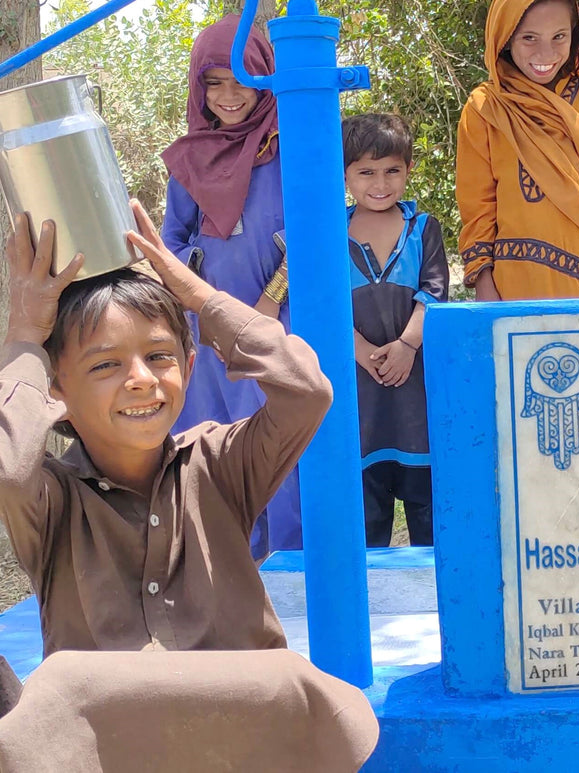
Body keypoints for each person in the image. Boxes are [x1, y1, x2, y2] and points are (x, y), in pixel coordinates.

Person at [0, 203, 377, 771]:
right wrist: (25, 334)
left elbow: (307, 392)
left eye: (159, 357)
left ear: (190, 363)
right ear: (56, 392)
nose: (141, 379)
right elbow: (9, 467)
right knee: (52, 693)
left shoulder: (220, 462)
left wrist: (200, 296)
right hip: (118, 753)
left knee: (292, 682)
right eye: (104, 366)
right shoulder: (51, 502)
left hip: (248, 746)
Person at [161, 13, 299, 559]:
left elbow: (312, 235)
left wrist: (265, 306)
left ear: (265, 79)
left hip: (274, 324)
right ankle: (219, 575)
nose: (229, 95)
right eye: (213, 82)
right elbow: (172, 239)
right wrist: (200, 300)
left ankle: (288, 578)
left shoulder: (290, 150)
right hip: (207, 331)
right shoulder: (190, 159)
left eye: (243, 78)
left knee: (277, 448)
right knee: (210, 445)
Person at [456, 0, 579, 301]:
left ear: (575, 35)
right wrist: (484, 282)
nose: (546, 54)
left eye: (559, 37)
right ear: (505, 38)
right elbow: (477, 205)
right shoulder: (484, 108)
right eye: (529, 38)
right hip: (513, 287)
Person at [344, 114, 448, 547]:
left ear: (408, 170)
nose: (380, 182)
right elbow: (322, 307)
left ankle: (437, 613)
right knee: (366, 525)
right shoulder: (329, 233)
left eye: (392, 170)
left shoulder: (423, 229)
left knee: (430, 521)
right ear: (345, 174)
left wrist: (407, 346)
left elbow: (434, 294)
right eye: (366, 172)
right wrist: (363, 352)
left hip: (416, 399)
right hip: (359, 401)